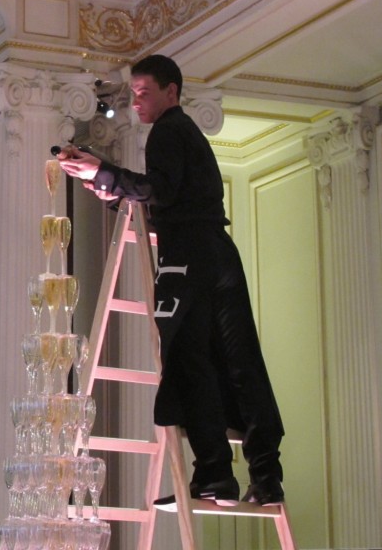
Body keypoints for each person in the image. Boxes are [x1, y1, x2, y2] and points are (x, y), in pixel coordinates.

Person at [56, 54, 284, 507]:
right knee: (241, 361)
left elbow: (158, 192)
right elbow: (171, 203)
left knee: (188, 359)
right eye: (133, 93)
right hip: (219, 253)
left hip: (189, 259)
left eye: (143, 92)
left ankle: (215, 475)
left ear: (171, 92)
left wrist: (103, 174)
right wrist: (111, 185)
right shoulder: (189, 136)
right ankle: (266, 476)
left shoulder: (167, 130)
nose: (136, 102)